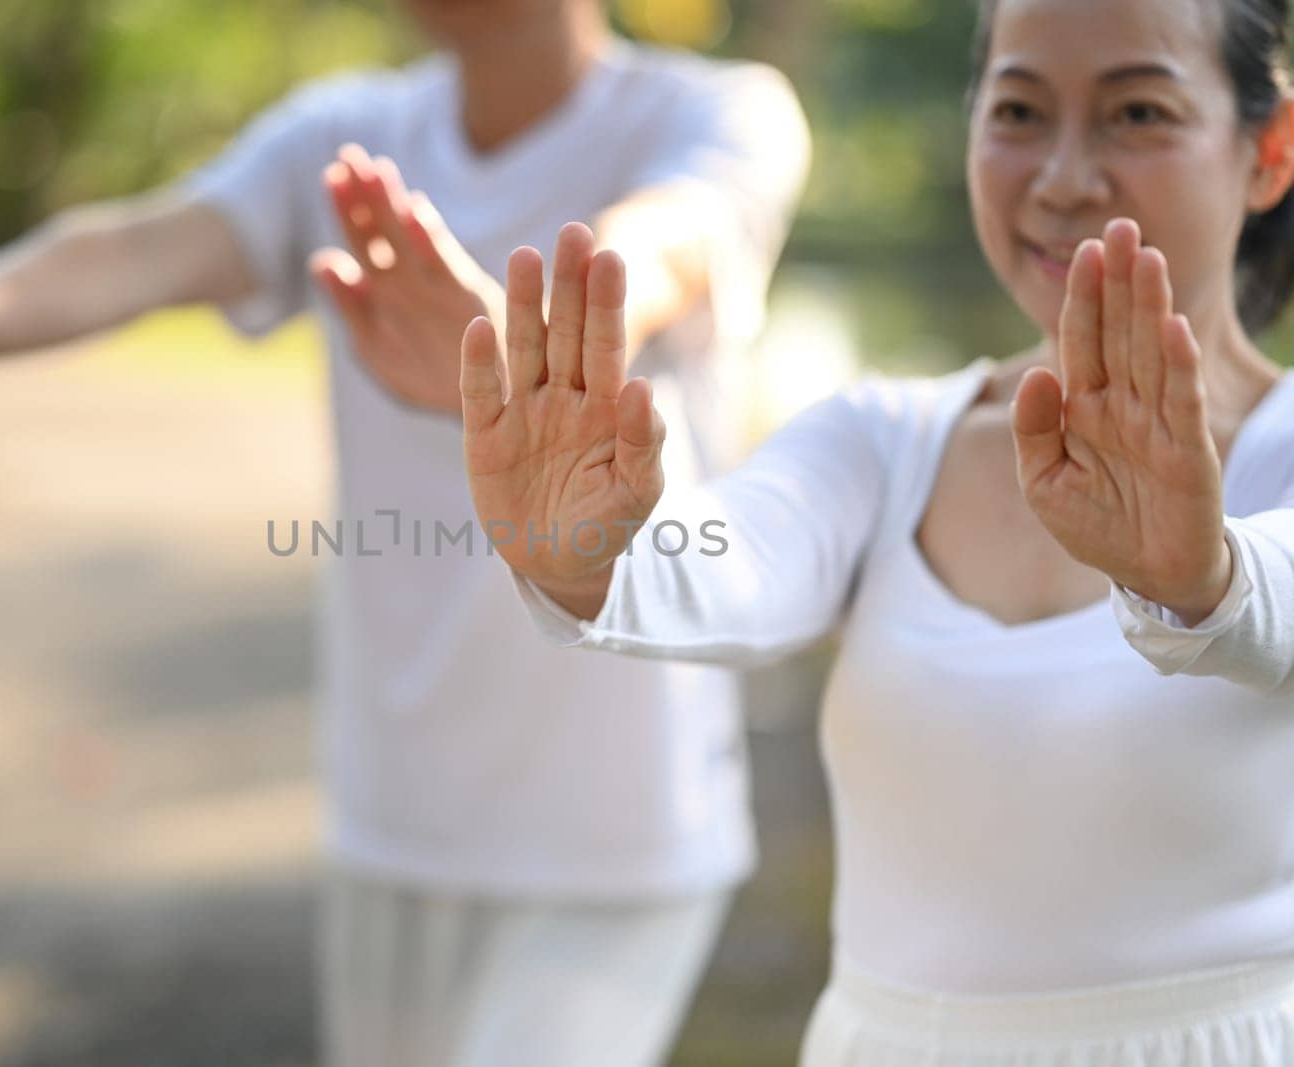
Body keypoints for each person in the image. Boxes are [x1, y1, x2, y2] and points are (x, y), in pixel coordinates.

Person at [0, 2, 811, 1064]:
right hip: (396, 817)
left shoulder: (715, 111)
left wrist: (508, 339)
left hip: (620, 833)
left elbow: (666, 245)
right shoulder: (343, 136)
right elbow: (137, 248)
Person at [459, 0, 1294, 1062]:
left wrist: (1205, 574)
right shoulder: (883, 439)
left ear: (1268, 151)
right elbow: (734, 557)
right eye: (1019, 112)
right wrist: (586, 552)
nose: (1065, 176)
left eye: (1136, 111)